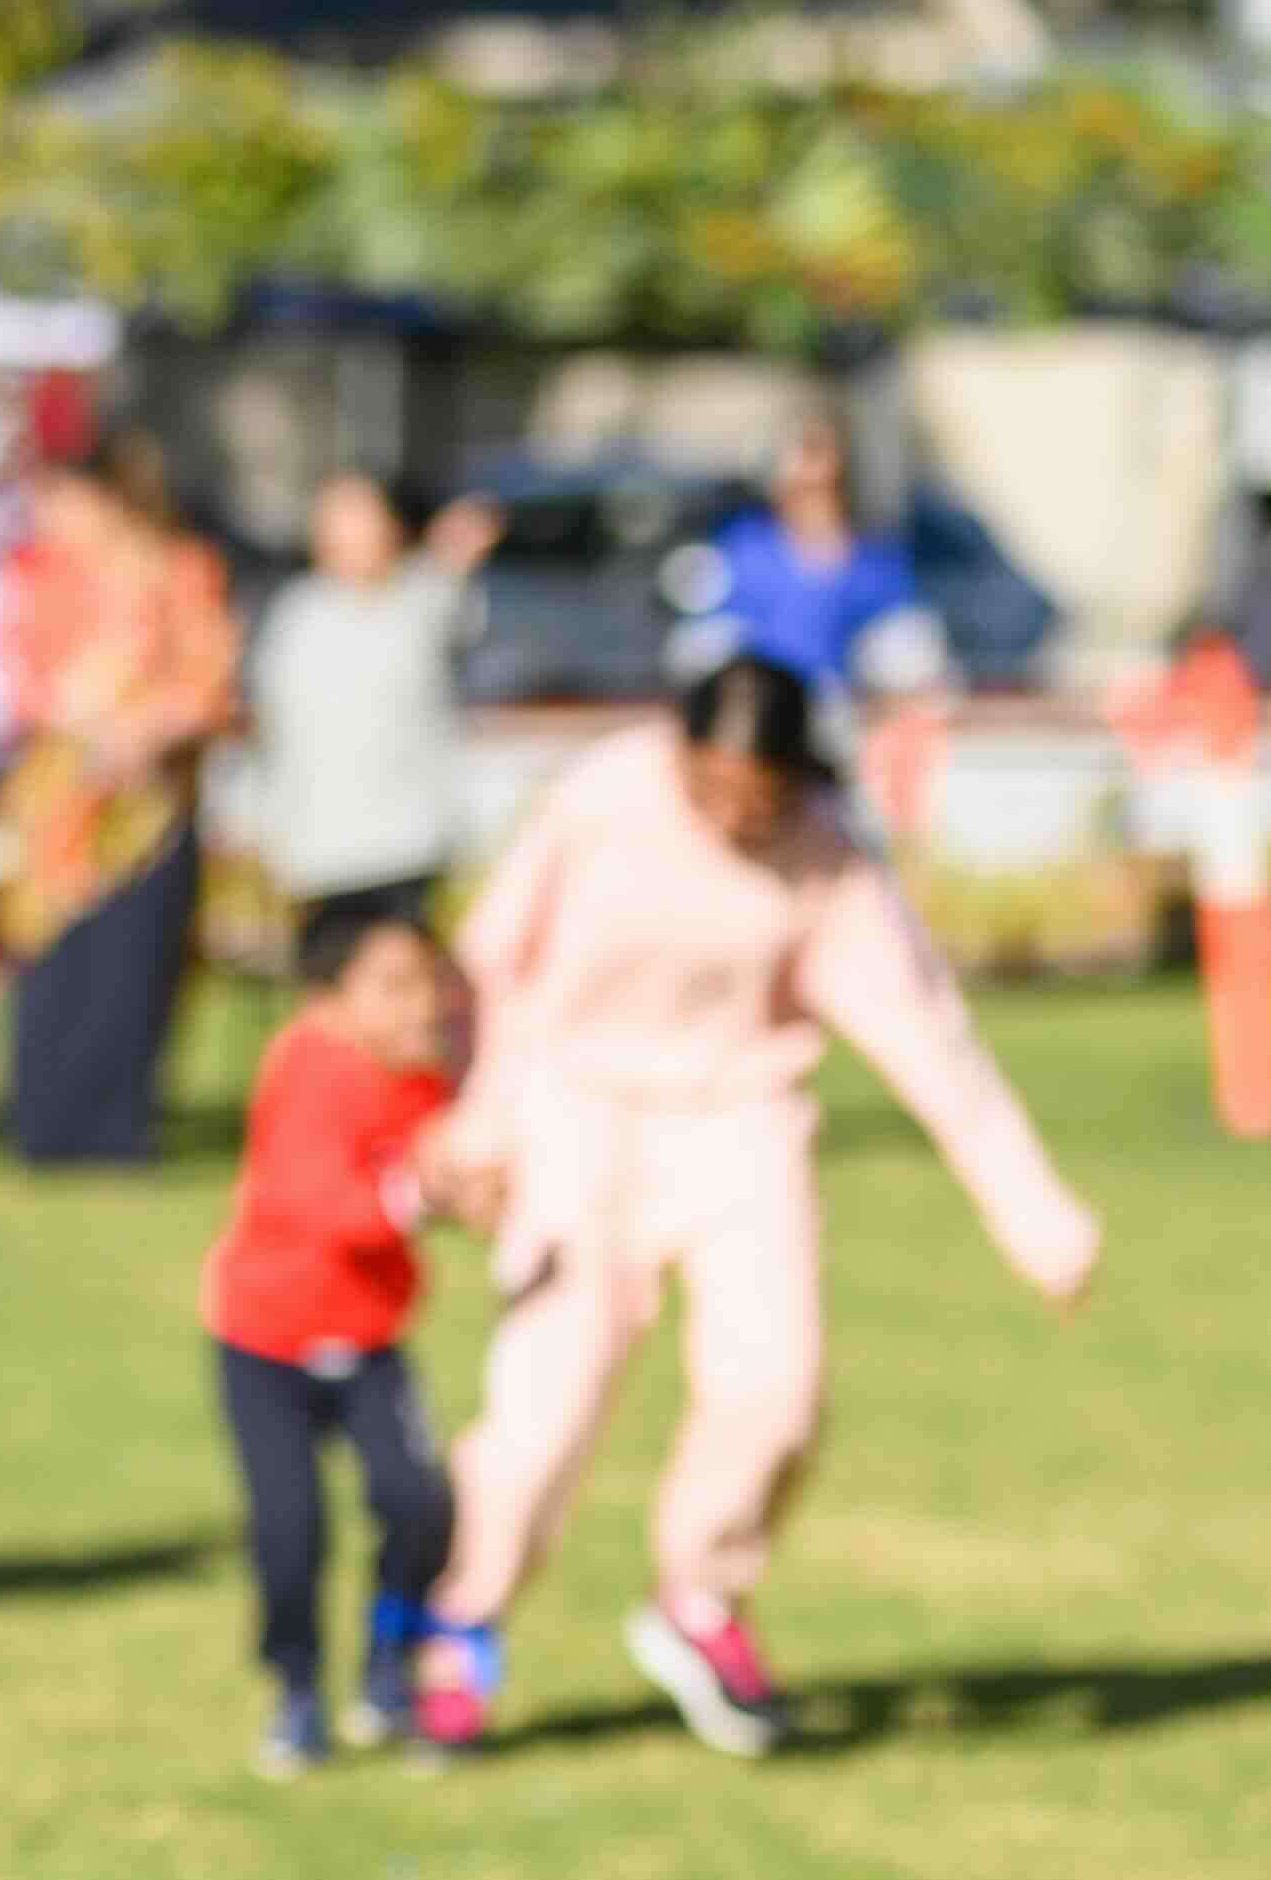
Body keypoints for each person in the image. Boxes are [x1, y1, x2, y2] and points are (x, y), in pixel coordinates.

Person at [409, 657, 1096, 1763]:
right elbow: (495, 969)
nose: (733, 816)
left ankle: (700, 1596)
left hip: (738, 1116)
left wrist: (1036, 1215)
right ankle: (461, 1625)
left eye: (757, 797)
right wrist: (476, 1128)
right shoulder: (602, 800)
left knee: (776, 1389)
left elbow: (926, 1033)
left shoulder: (824, 854)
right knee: (546, 1407)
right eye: (711, 786)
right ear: (678, 753)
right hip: (574, 1112)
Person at [203, 912, 478, 1778]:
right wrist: (418, 1198)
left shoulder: (428, 1079)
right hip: (265, 1343)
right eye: (393, 986)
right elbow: (318, 1200)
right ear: (330, 999)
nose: (420, 1005)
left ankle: (389, 1662)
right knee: (291, 1533)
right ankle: (295, 1693)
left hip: (369, 1343)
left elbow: (453, 1165)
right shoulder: (305, 1068)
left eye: (428, 982)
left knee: (419, 1505)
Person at [0, 452, 237, 1165]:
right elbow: (28, 683)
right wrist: (88, 726)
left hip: (148, 805)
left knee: (131, 971)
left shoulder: (180, 569)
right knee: (53, 967)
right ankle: (45, 1129)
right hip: (61, 803)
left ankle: (117, 1129)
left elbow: (209, 681)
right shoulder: (41, 577)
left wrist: (150, 729)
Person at [249, 473, 499, 968]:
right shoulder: (297, 615)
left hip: (407, 841)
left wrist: (453, 555)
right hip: (319, 849)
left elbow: (450, 602)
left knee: (403, 982)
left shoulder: (420, 599)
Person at [703, 412, 924, 696]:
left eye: (816, 451)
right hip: (765, 710)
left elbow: (900, 645)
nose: (806, 471)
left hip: (843, 710)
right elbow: (713, 638)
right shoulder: (742, 548)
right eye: (799, 453)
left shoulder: (875, 560)